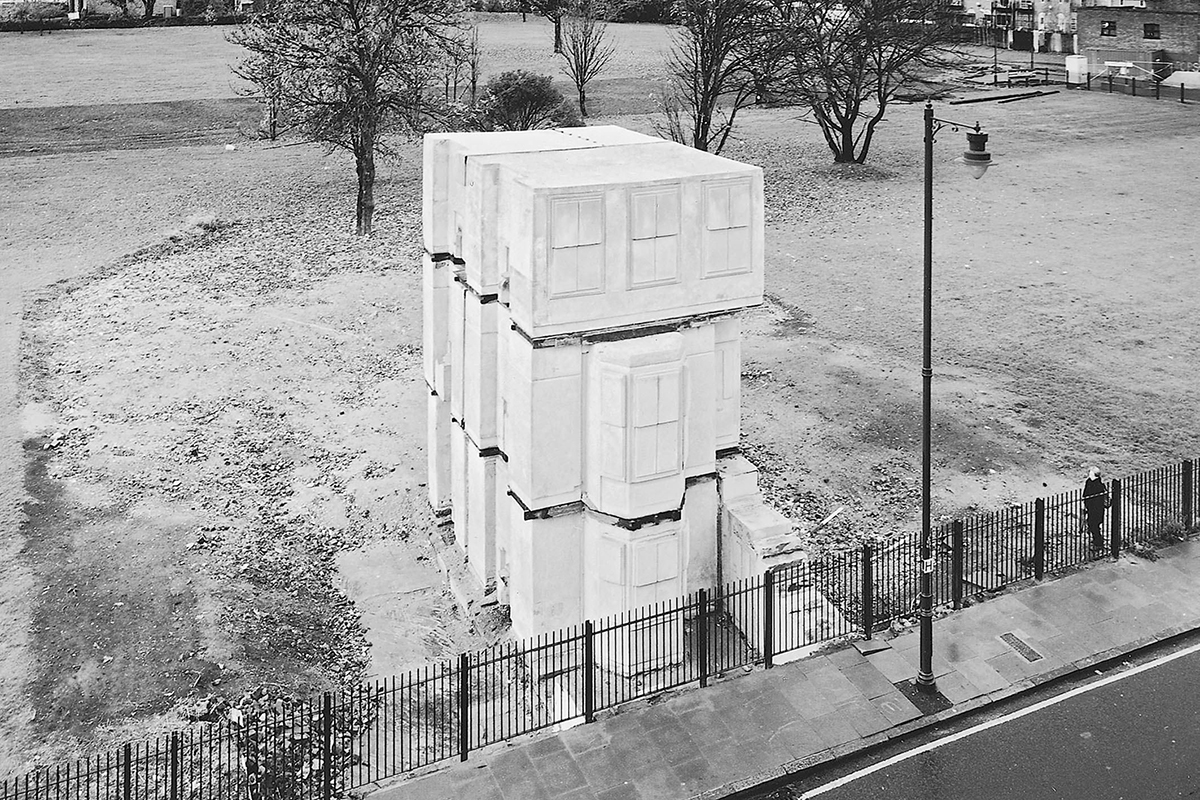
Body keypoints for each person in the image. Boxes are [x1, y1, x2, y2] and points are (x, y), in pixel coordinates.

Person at [1083, 467, 1109, 551]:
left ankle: (1098, 543)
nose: (1089, 473)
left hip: (1096, 510)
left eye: (1091, 472)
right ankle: (1096, 540)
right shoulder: (1089, 482)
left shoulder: (1098, 486)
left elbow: (1097, 500)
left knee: (1094, 525)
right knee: (1092, 525)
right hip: (1091, 508)